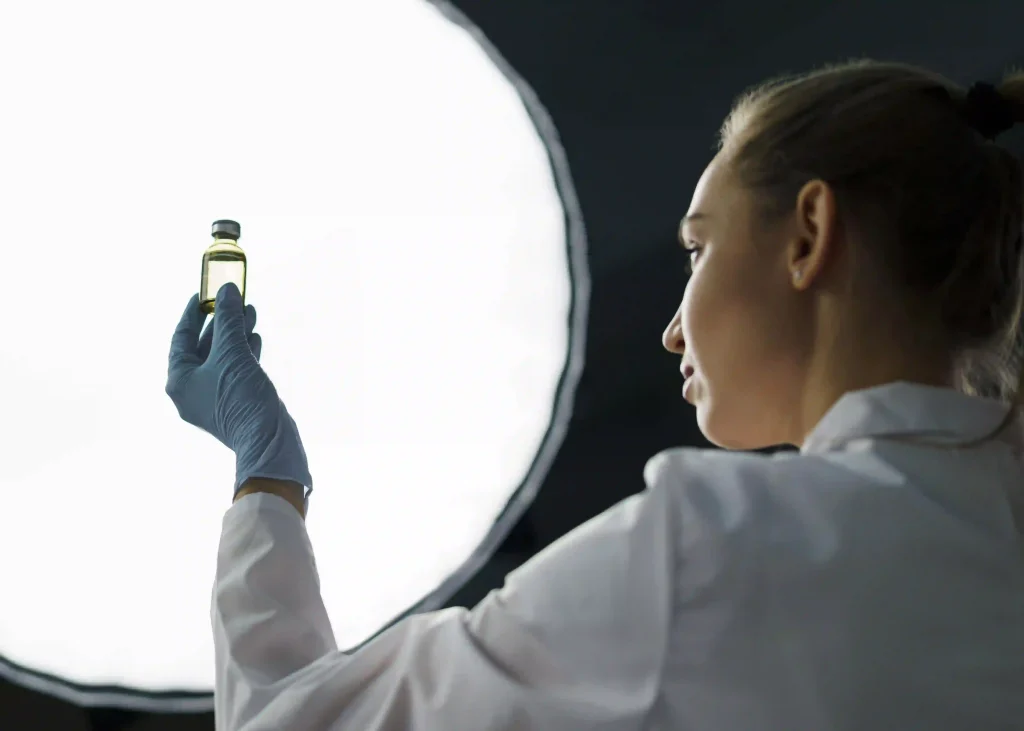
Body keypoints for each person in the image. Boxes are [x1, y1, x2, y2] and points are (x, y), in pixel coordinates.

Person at [166, 60, 1024, 730]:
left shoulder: (708, 548)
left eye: (698, 248)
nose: (673, 332)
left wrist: (265, 475)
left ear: (808, 234)